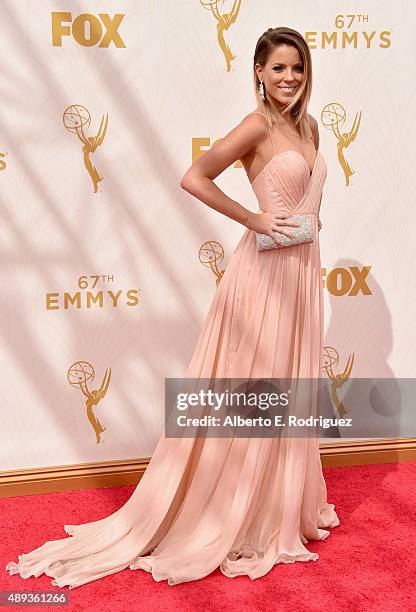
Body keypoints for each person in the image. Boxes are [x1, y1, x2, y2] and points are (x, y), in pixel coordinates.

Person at [6, 26, 339, 589]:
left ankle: (273, 507)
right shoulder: (257, 125)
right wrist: (255, 218)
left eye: (297, 68)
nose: (289, 78)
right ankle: (231, 512)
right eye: (278, 68)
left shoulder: (306, 126)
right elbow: (194, 177)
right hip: (262, 274)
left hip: (301, 272)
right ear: (258, 72)